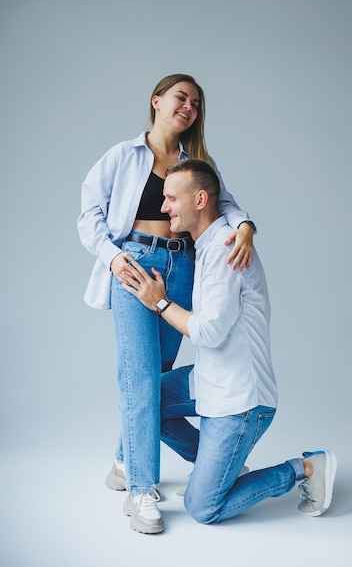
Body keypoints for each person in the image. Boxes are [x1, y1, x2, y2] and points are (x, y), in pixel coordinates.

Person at [77, 74, 256, 534]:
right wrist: (114, 257)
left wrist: (247, 227)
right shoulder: (124, 155)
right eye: (181, 97)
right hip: (135, 264)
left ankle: (123, 461)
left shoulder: (195, 163)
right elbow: (89, 213)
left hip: (183, 271)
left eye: (196, 102)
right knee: (137, 378)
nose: (189, 106)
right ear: (156, 101)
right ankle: (140, 488)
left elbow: (225, 204)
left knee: (153, 378)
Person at [122, 159, 337, 533]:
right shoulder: (208, 244)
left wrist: (159, 302)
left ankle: (307, 468)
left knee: (202, 506)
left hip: (241, 401)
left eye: (171, 198)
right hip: (211, 379)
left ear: (200, 199)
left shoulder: (224, 250)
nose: (164, 207)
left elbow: (208, 333)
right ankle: (219, 466)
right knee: (146, 402)